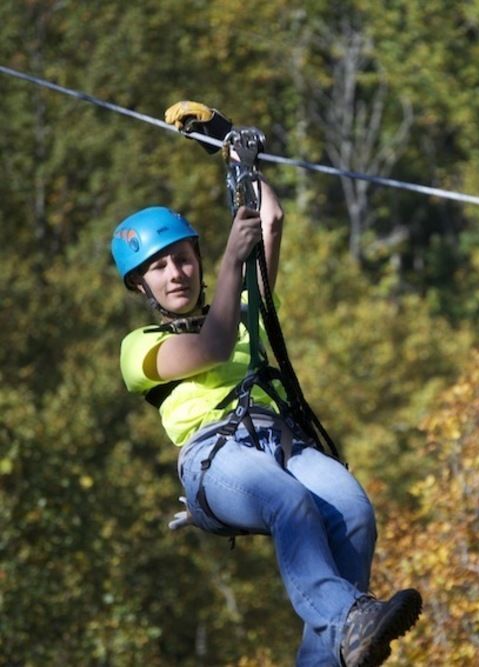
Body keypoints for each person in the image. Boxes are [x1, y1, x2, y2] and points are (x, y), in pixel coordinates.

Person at [110, 176, 421, 667]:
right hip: (215, 457)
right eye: (159, 266)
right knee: (290, 502)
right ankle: (349, 618)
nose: (176, 273)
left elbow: (271, 218)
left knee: (352, 508)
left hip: (279, 440)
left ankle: (331, 651)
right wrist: (234, 257)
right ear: (140, 285)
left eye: (184, 258)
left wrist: (235, 154)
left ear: (198, 259)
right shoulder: (139, 348)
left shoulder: (242, 313)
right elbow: (211, 345)